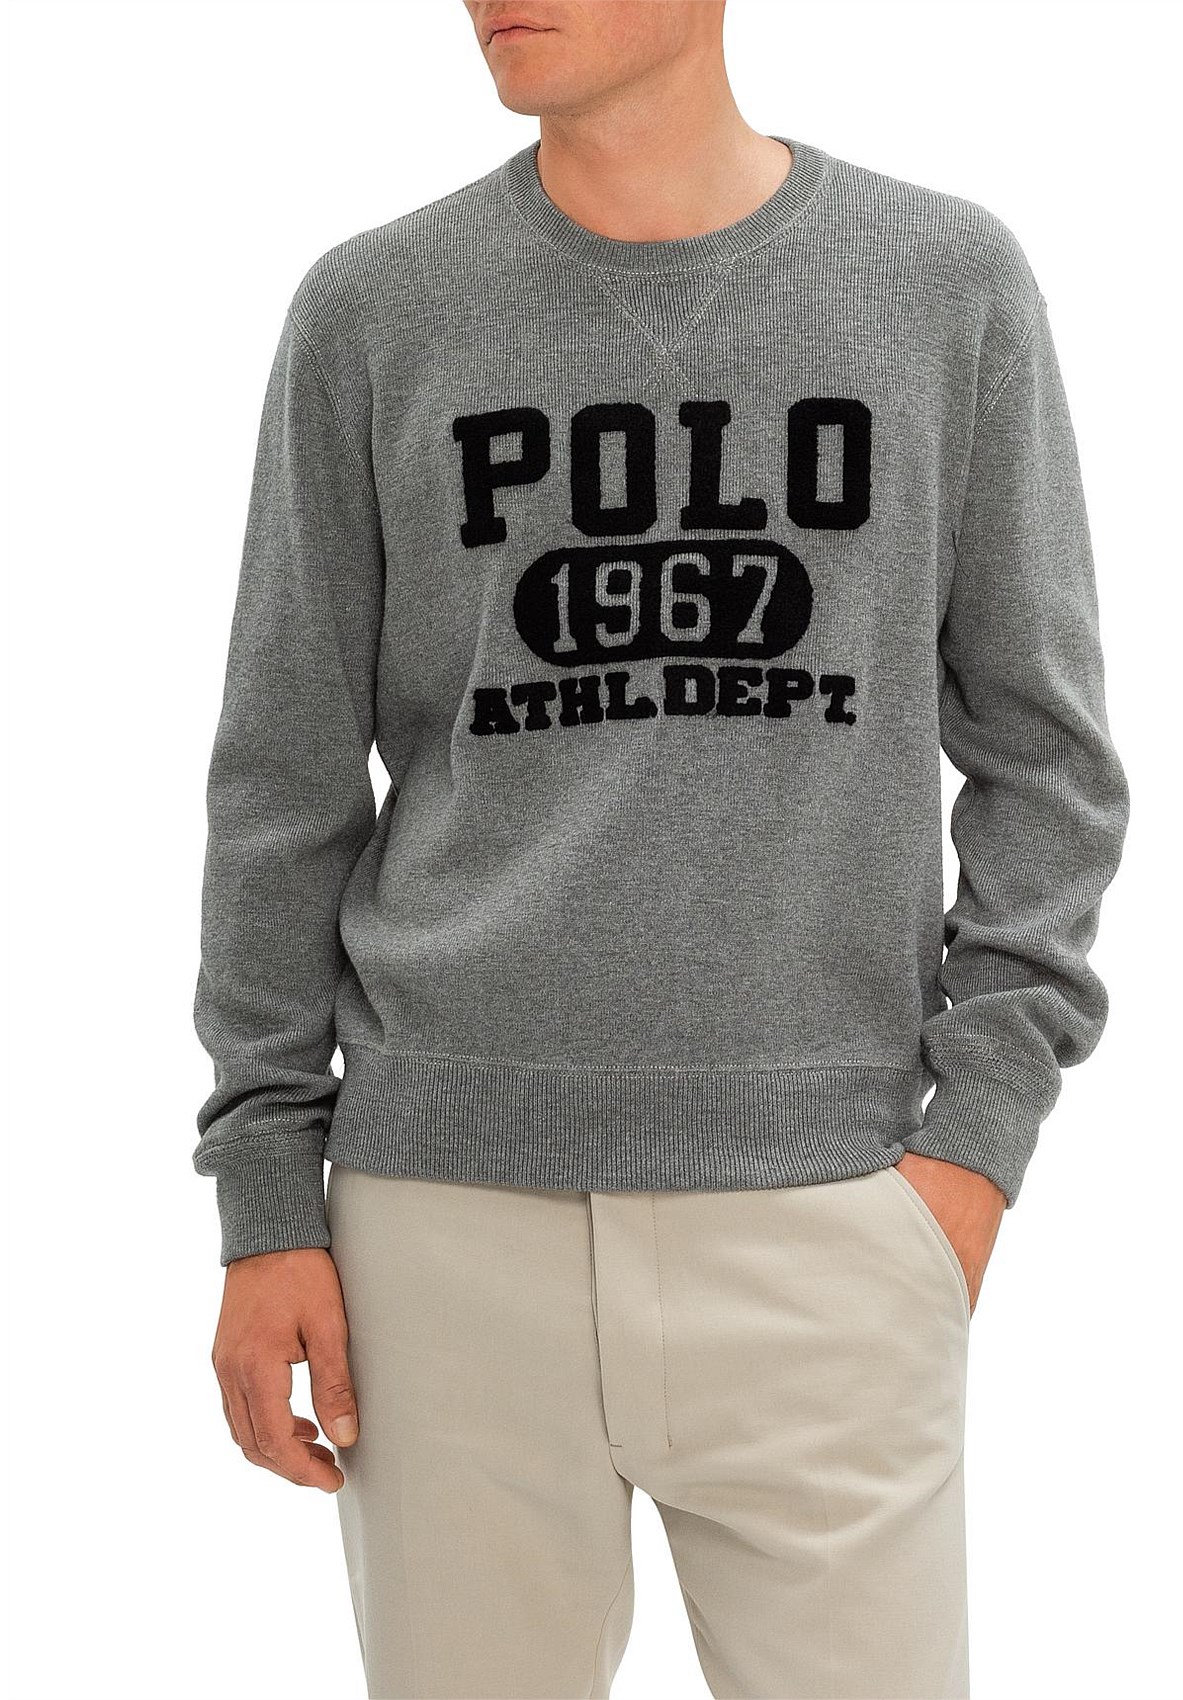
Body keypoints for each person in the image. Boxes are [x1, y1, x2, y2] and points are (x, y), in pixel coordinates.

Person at [192, 3, 1130, 1696]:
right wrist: (266, 1197)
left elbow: (1047, 759)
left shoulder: (939, 287)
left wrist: (970, 1159)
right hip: (441, 1230)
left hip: (830, 1214)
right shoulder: (376, 310)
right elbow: (282, 784)